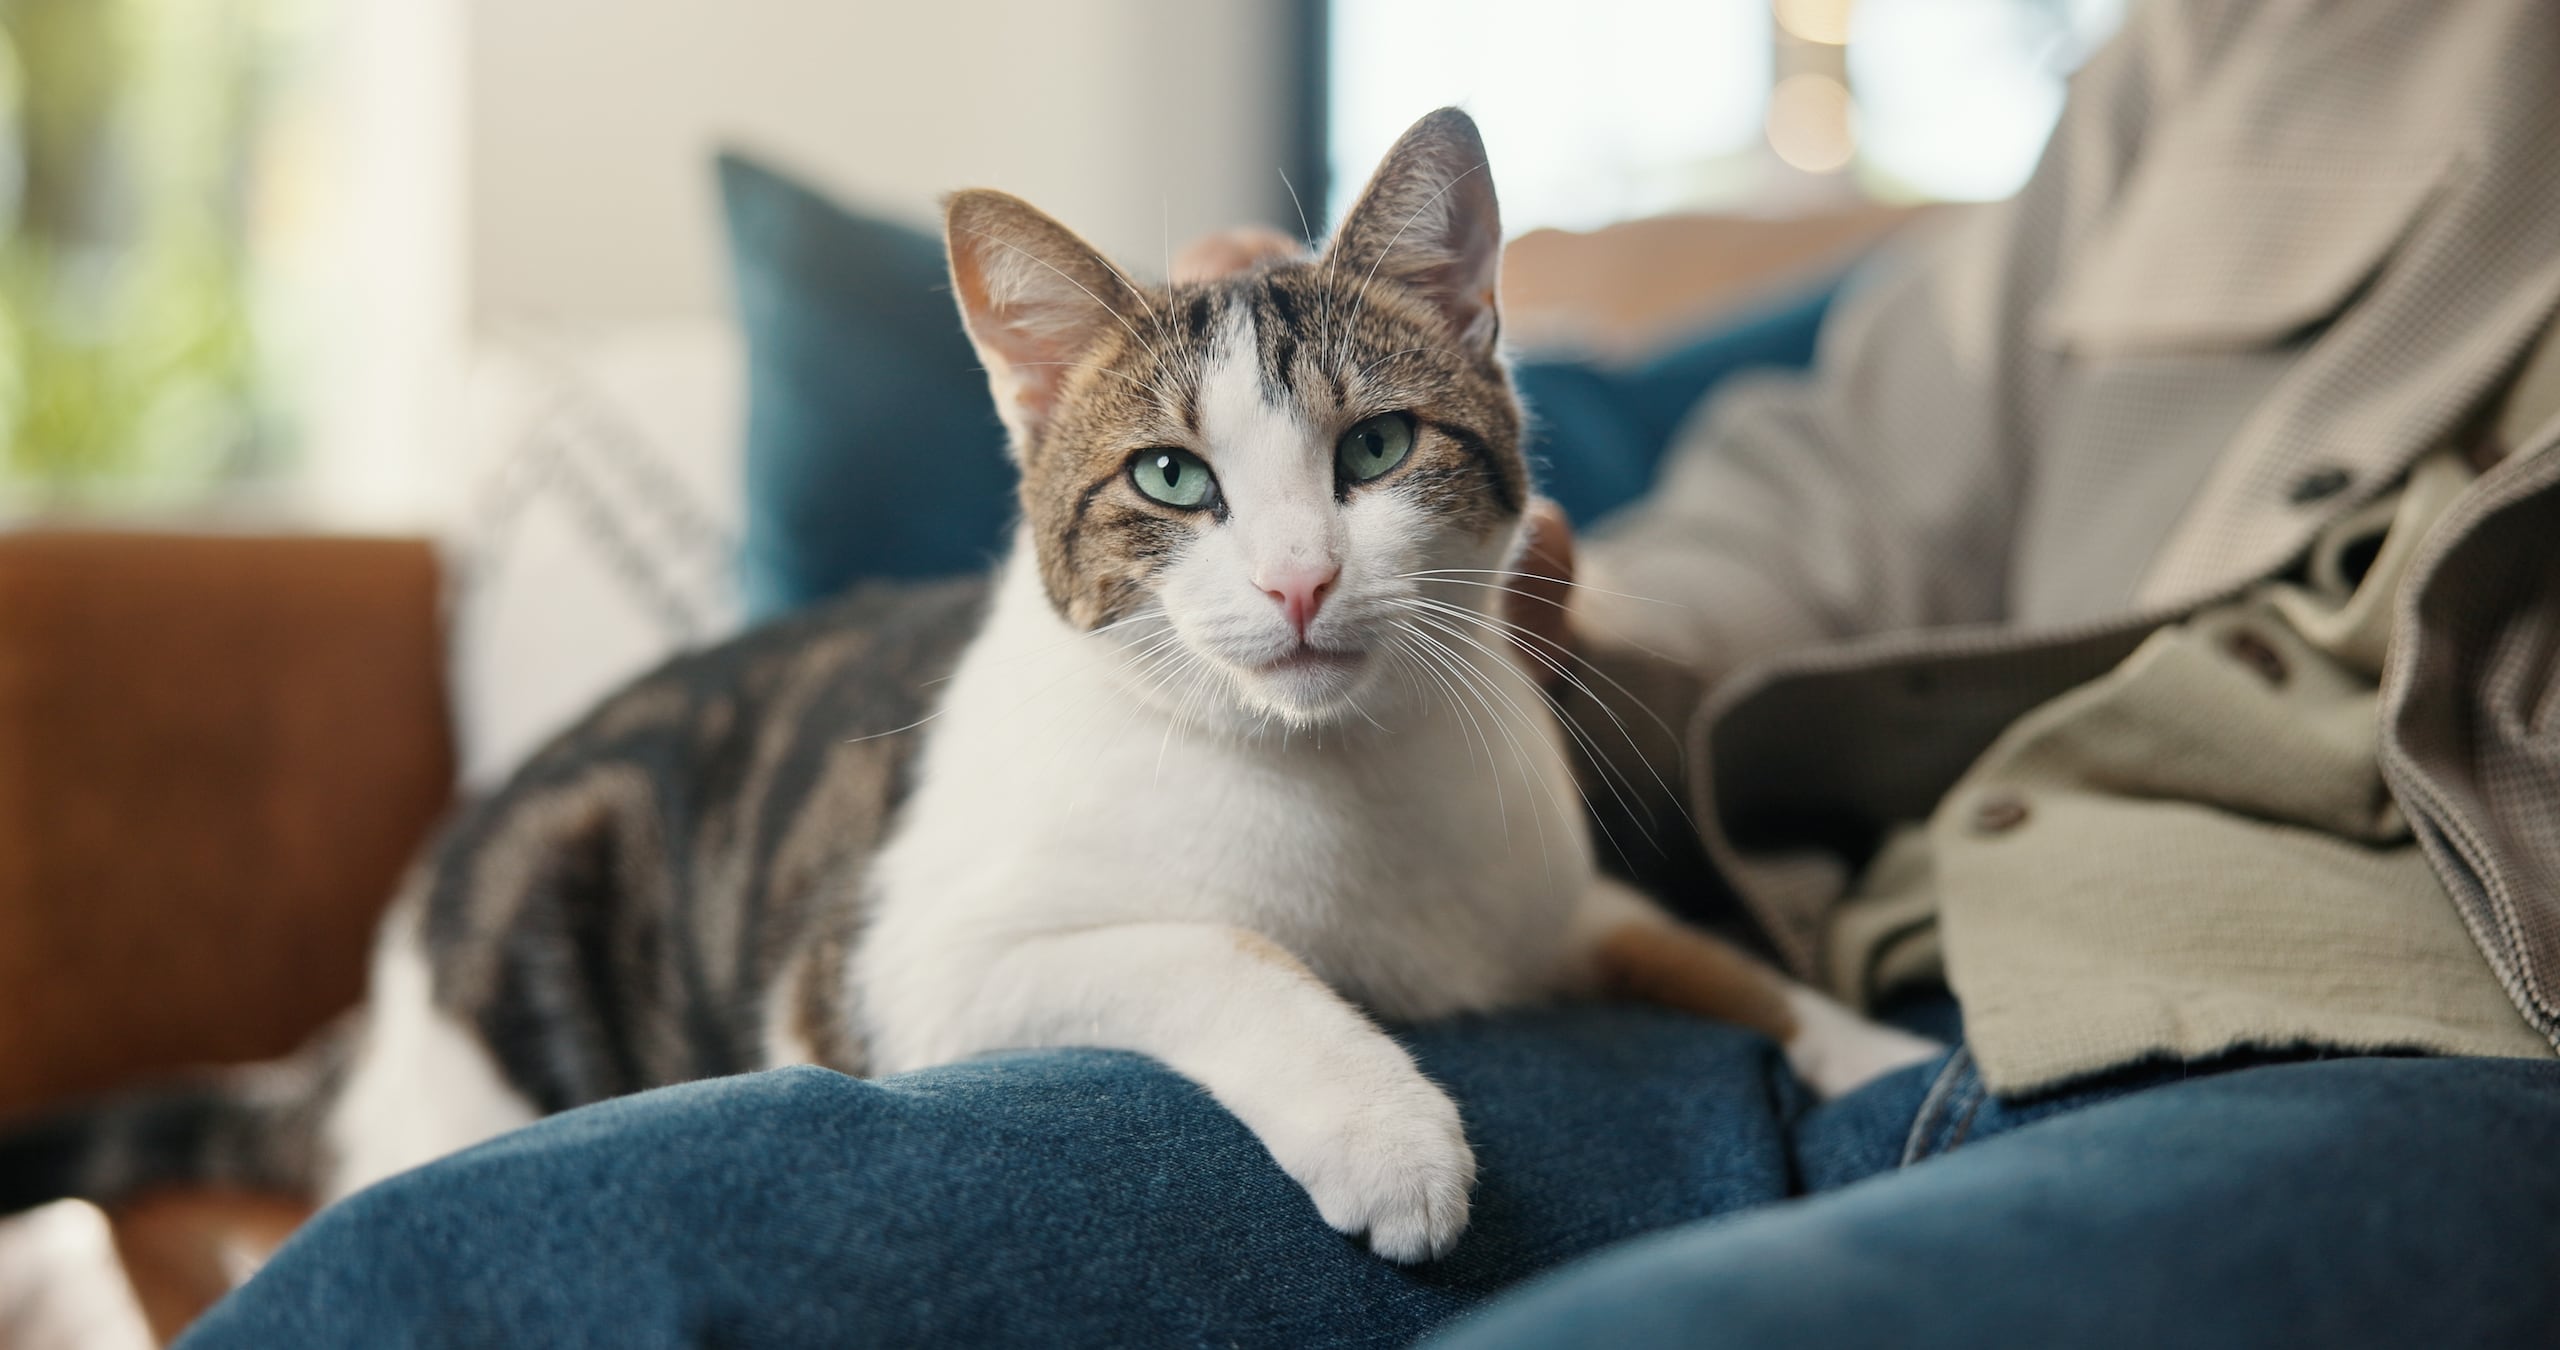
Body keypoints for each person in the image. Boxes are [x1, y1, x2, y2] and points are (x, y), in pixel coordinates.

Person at [180, 4, 2560, 1346]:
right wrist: (1526, 587)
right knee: (530, 1265)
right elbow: (1831, 485)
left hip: (2375, 1026)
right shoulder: (2247, 52)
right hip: (1876, 989)